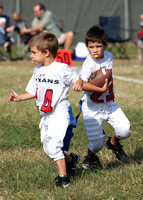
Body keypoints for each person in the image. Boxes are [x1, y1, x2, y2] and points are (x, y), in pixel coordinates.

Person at [8, 32, 110, 187]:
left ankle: (64, 178)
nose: (31, 56)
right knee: (48, 149)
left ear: (46, 53)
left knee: (54, 146)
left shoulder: (61, 68)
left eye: (34, 52)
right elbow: (34, 91)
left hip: (60, 112)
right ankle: (71, 160)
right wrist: (19, 97)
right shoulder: (37, 71)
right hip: (46, 116)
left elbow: (77, 79)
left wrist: (78, 83)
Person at [79, 25, 131, 169]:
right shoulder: (88, 63)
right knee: (96, 144)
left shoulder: (108, 56)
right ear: (86, 47)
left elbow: (106, 74)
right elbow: (81, 83)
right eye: (91, 47)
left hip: (108, 104)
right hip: (92, 106)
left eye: (98, 46)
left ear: (105, 45)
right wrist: (99, 88)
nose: (95, 50)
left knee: (125, 130)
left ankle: (113, 143)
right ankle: (90, 159)